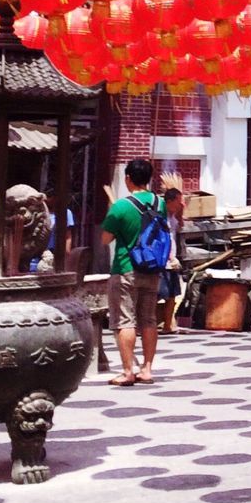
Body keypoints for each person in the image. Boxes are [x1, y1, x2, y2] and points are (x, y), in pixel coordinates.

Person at [100, 159, 162, 386]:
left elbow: (105, 239)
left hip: (126, 268)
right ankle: (146, 369)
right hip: (153, 268)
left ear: (128, 178)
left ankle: (127, 371)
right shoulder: (159, 203)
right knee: (148, 319)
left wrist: (112, 217)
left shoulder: (120, 207)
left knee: (126, 320)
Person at [157, 182, 186, 335]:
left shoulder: (173, 217)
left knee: (172, 295)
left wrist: (181, 214)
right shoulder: (161, 217)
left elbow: (179, 228)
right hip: (162, 261)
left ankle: (168, 325)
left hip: (172, 262)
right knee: (157, 294)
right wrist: (169, 257)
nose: (179, 204)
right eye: (178, 201)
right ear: (169, 201)